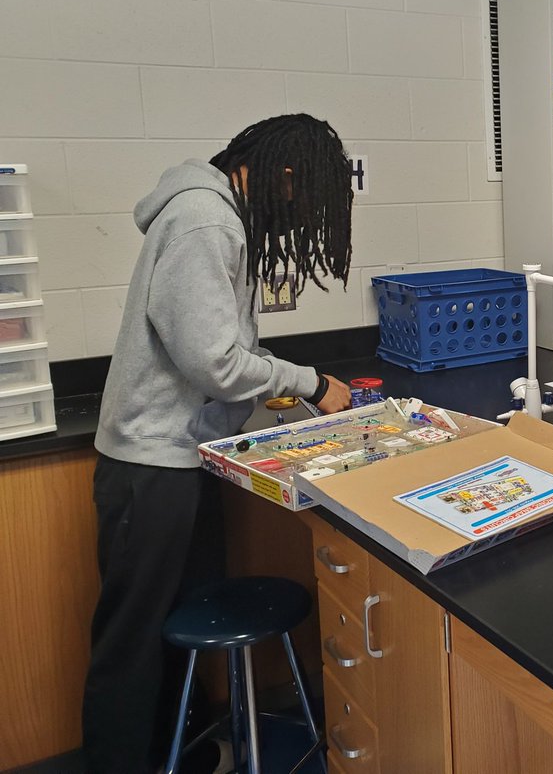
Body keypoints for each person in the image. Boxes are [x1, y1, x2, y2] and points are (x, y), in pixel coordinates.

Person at [82, 113, 356, 774]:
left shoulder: (214, 212)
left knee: (176, 628)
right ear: (281, 176)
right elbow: (212, 363)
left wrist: (270, 396)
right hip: (151, 466)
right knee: (134, 641)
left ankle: (180, 756)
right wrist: (311, 382)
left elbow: (230, 350)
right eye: (303, 199)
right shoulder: (208, 221)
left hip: (180, 457)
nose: (297, 219)